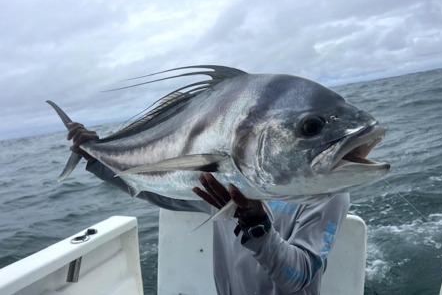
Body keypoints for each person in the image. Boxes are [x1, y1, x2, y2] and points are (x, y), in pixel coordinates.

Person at [67, 122, 350, 295]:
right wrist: (96, 160)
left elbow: (298, 278)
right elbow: (159, 193)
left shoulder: (327, 194)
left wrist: (256, 223)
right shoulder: (227, 184)